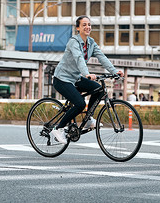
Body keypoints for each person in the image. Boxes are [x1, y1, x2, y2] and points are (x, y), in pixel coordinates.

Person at [51, 15, 124, 144]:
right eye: (84, 25)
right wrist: (87, 74)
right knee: (80, 104)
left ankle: (88, 118)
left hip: (76, 78)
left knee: (99, 89)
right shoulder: (73, 42)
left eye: (89, 25)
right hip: (62, 79)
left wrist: (114, 71)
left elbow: (102, 57)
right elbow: (79, 58)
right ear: (78, 28)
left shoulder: (90, 43)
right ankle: (58, 128)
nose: (87, 27)